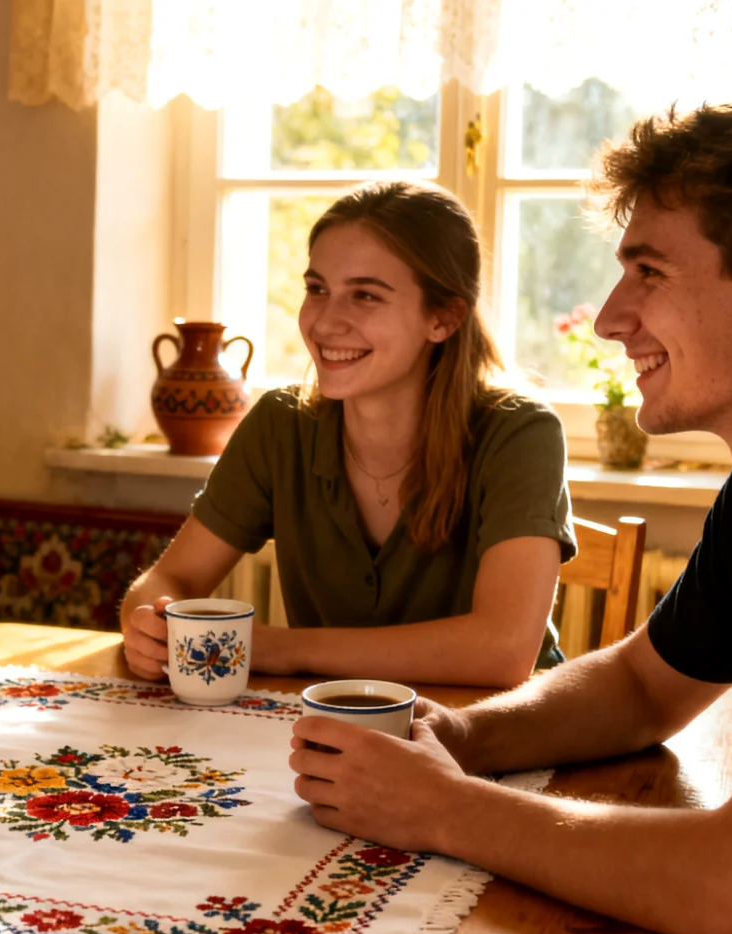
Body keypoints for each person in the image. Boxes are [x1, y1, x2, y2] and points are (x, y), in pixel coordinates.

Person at [290, 91, 732, 934]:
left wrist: (440, 807)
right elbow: (643, 684)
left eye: (648, 271)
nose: (610, 316)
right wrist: (456, 736)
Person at [121, 182, 574, 689]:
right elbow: (168, 580)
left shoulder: (520, 433)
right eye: (317, 289)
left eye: (365, 295)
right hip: (331, 728)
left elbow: (502, 652)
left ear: (443, 318)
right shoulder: (280, 423)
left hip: (491, 735)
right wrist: (149, 623)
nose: (325, 322)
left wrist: (270, 648)